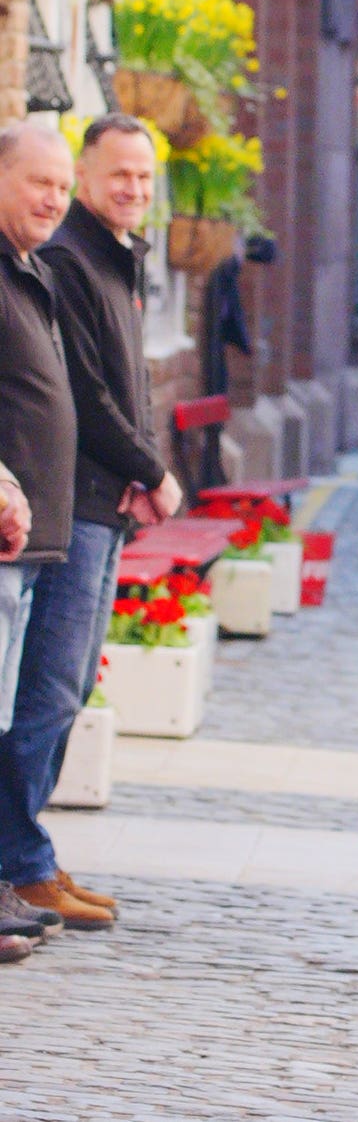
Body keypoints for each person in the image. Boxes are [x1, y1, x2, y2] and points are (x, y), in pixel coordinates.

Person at [2, 115, 176, 930]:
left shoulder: (101, 256)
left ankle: (28, 857)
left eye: (145, 177)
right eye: (117, 175)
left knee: (60, 691)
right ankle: (21, 862)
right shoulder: (69, 257)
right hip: (54, 509)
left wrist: (140, 473)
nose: (132, 190)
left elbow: (110, 390)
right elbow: (87, 397)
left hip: (87, 505)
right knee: (41, 693)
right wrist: (152, 470)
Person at [0, 122, 80, 956]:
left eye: (62, 187)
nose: (54, 200)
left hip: (31, 542)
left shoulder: (30, 271)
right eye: (38, 183)